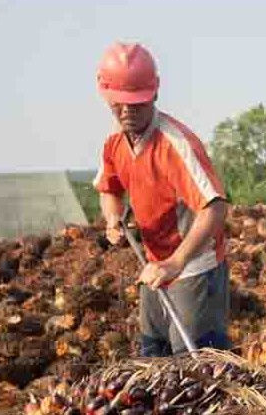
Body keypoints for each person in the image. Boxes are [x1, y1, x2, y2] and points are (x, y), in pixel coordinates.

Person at [92, 42, 231, 357]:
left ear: (153, 93)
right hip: (155, 265)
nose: (126, 112)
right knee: (154, 352)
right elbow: (109, 189)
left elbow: (215, 207)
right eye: (118, 104)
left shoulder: (176, 144)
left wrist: (176, 263)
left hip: (193, 265)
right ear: (105, 95)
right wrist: (112, 217)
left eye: (136, 104)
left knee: (196, 362)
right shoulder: (115, 140)